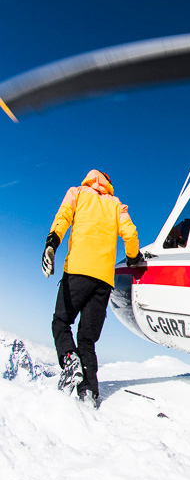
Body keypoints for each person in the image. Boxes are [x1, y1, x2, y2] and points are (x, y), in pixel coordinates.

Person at [42, 169, 142, 407]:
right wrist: (132, 256)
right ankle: (89, 392)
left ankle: (69, 359)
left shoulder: (77, 193)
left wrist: (52, 244)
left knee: (61, 321)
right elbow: (130, 233)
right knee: (87, 339)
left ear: (90, 179)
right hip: (104, 282)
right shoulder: (116, 205)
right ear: (108, 184)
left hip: (77, 271)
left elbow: (63, 216)